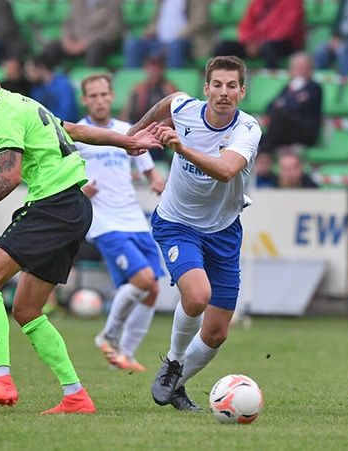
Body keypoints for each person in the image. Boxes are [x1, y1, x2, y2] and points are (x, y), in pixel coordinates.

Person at [0, 47, 162, 414]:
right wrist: (128, 140)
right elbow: (73, 129)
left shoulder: (3, 112)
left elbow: (10, 175)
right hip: (74, 208)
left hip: (52, 207)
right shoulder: (24, 103)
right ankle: (75, 395)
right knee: (26, 308)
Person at [126, 56, 261, 411]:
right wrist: (134, 133)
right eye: (217, 85)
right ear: (206, 89)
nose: (224, 93)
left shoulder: (247, 129)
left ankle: (177, 384)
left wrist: (181, 147)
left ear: (242, 92)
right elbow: (166, 104)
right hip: (177, 224)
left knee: (217, 332)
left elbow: (227, 170)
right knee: (198, 296)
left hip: (224, 229)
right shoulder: (184, 107)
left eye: (232, 86)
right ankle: (172, 362)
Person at [74, 73, 166, 372]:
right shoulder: (77, 134)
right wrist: (79, 187)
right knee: (142, 281)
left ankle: (124, 354)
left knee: (152, 289)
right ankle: (108, 336)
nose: (99, 100)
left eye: (104, 94)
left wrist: (156, 180)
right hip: (103, 220)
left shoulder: (128, 130)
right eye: (93, 95)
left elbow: (148, 167)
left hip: (133, 218)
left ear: (112, 96)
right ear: (84, 100)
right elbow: (58, 172)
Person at [212, 0, 304, 69]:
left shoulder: (293, 2)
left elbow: (287, 29)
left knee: (269, 48)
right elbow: (246, 24)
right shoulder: (258, 2)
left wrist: (260, 43)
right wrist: (249, 42)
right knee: (223, 47)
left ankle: (269, 80)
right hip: (256, 44)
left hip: (283, 44)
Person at [259, 52, 322, 153]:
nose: (299, 71)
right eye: (296, 68)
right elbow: (269, 107)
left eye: (303, 68)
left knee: (280, 114)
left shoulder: (314, 88)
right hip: (284, 132)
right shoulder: (289, 87)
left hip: (304, 133)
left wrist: (285, 103)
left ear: (310, 70)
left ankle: (265, 147)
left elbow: (298, 108)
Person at [123, 0, 215, 69]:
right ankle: (136, 87)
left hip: (187, 41)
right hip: (159, 41)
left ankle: (173, 89)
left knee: (174, 46)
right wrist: (149, 32)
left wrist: (177, 36)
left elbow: (199, 22)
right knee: (133, 45)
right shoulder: (161, 2)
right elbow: (154, 21)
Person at [40, 0, 122, 67]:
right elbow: (68, 24)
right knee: (51, 49)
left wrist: (86, 42)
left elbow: (113, 31)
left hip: (99, 42)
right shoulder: (77, 2)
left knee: (94, 50)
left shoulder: (112, 3)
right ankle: (48, 83)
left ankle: (94, 82)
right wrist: (67, 40)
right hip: (76, 42)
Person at [26, 55, 79, 123]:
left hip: (65, 126)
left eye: (30, 70)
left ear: (41, 68)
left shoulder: (63, 85)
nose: (28, 74)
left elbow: (67, 114)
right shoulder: (36, 89)